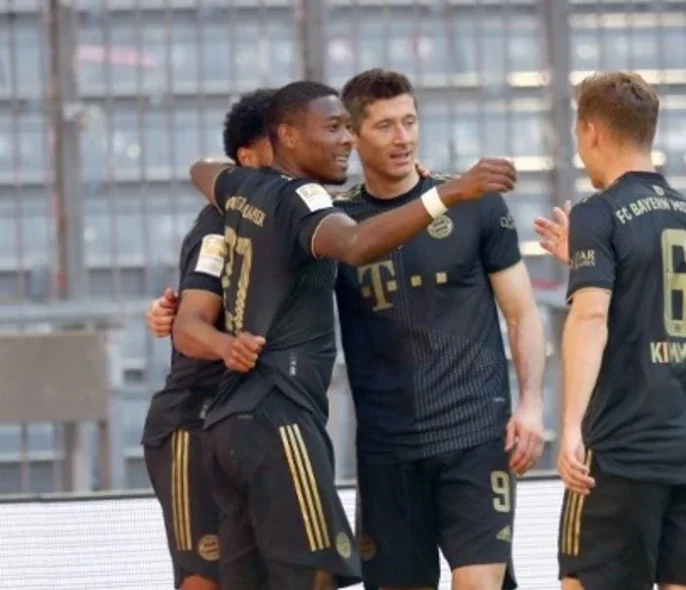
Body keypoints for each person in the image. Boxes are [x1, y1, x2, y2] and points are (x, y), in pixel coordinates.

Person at [174, 80, 517, 590]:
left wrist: (194, 324)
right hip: (281, 416)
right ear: (287, 136)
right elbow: (356, 244)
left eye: (407, 122)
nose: (346, 141)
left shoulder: (242, 189)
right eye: (335, 128)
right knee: (315, 575)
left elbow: (199, 170)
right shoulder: (305, 201)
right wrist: (449, 193)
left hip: (228, 422)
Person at [333, 68, 545, 590]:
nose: (403, 138)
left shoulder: (474, 203)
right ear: (353, 136)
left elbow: (521, 313)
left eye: (410, 121)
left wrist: (532, 403)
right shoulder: (337, 226)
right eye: (384, 127)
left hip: (475, 436)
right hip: (387, 451)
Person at [537, 71, 686, 590]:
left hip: (622, 452)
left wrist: (572, 426)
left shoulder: (597, 214)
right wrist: (583, 263)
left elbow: (593, 317)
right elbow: (652, 297)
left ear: (592, 132)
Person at [140, 87, 275, 590]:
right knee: (205, 577)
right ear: (246, 158)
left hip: (247, 424)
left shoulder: (298, 217)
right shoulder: (221, 224)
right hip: (190, 422)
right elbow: (190, 321)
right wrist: (210, 338)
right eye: (280, 139)